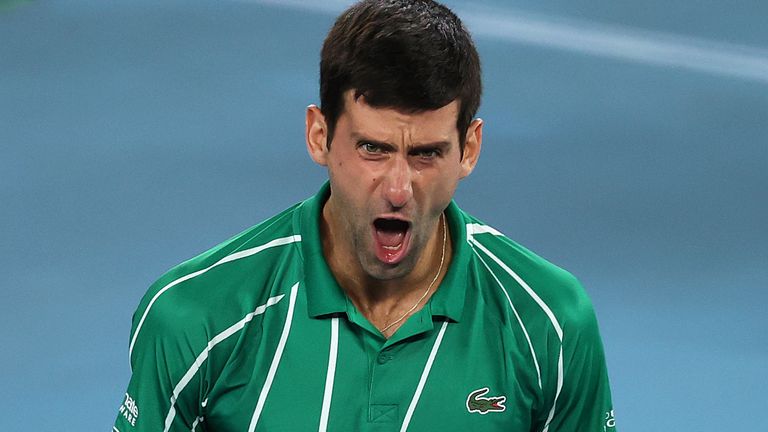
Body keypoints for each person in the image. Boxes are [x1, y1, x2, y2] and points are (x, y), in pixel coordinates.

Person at [113, 1, 617, 431]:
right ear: (319, 136)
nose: (398, 189)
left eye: (425, 154)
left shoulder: (550, 323)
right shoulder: (195, 319)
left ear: (469, 149)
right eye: (373, 149)